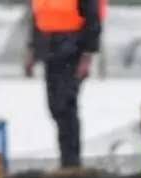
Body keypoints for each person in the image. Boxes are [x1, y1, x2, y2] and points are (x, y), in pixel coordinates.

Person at [23, 0, 105, 169]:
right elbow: (38, 17)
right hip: (49, 49)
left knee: (65, 105)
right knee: (55, 106)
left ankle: (71, 162)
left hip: (73, 49)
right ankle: (66, 161)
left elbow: (93, 17)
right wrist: (32, 50)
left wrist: (87, 54)